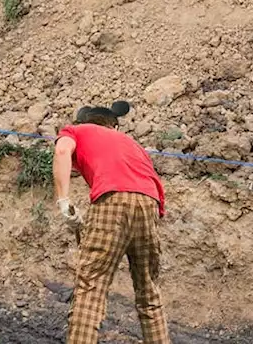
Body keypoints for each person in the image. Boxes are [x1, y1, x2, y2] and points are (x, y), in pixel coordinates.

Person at [53, 101, 169, 344]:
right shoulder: (132, 144)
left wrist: (63, 201)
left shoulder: (77, 131)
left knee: (91, 287)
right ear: (115, 127)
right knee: (149, 292)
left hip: (112, 200)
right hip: (149, 205)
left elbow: (62, 151)